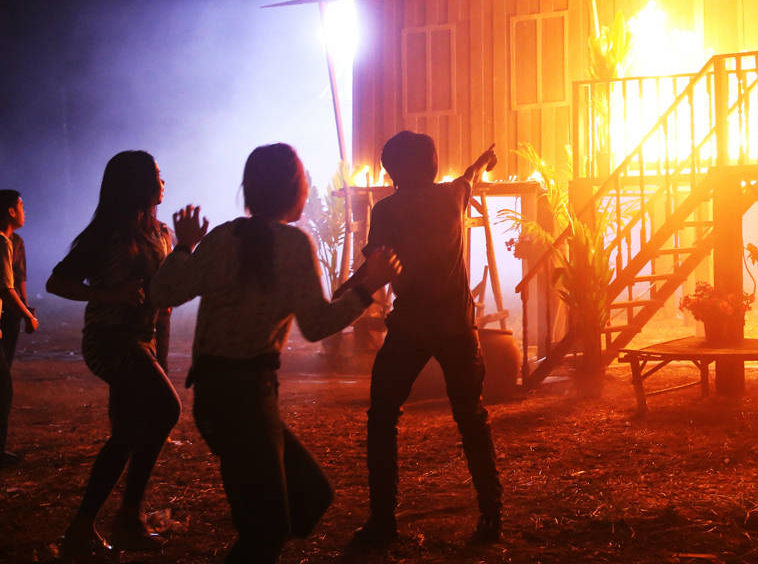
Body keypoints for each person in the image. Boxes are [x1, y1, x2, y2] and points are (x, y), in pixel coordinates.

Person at [150, 143, 400, 564]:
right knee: (268, 530)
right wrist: (367, 287)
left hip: (217, 394)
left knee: (308, 497)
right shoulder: (291, 244)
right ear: (293, 189)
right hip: (247, 395)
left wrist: (184, 247)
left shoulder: (222, 238)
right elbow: (316, 325)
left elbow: (162, 293)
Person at [354, 133, 502, 547]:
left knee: (382, 418)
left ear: (392, 171)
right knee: (471, 417)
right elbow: (469, 177)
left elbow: (375, 266)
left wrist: (339, 298)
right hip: (456, 325)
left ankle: (382, 521)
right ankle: (492, 515)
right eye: (432, 158)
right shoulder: (451, 196)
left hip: (411, 326)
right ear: (426, 165)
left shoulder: (386, 210)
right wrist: (483, 161)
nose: (437, 163)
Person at [47, 152, 179, 554]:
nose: (163, 181)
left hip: (144, 340)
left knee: (126, 433)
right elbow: (57, 282)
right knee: (165, 410)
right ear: (137, 183)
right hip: (110, 339)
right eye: (157, 175)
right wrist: (108, 294)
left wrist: (187, 249)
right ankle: (126, 517)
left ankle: (86, 529)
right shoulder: (108, 234)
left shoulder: (161, 232)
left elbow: (167, 292)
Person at [2, 189, 39, 467]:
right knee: (4, 387)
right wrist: (27, 314)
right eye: (21, 206)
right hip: (8, 311)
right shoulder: (3, 242)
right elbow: (7, 287)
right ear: (11, 211)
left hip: (10, 313)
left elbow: (19, 278)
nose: (25, 212)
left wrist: (25, 309)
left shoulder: (16, 242)